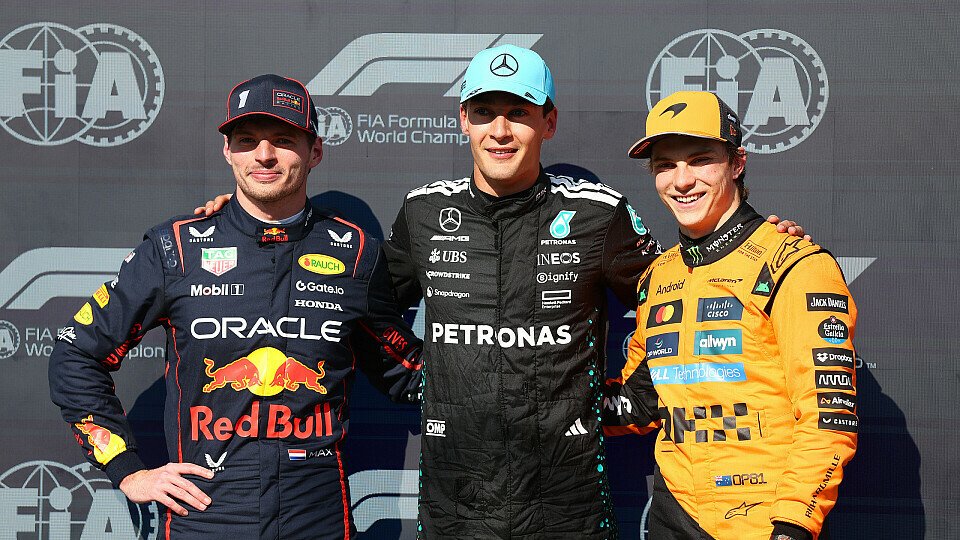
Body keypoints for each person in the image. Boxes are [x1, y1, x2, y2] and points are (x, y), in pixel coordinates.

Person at [197, 48, 805, 538]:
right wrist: (241, 225)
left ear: (549, 122)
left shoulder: (599, 214)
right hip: (455, 505)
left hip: (567, 506)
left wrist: (753, 237)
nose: (501, 131)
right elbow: (363, 302)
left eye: (519, 112)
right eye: (485, 112)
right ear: (463, 120)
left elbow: (677, 291)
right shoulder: (425, 210)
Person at [49, 74, 423, 539]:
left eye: (283, 140)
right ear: (228, 151)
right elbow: (76, 353)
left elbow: (403, 369)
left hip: (318, 518)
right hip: (206, 517)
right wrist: (127, 470)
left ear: (315, 152)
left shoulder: (357, 253)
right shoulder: (175, 249)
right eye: (247, 141)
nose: (264, 156)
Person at [607, 90, 858, 540]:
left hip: (762, 519)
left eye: (701, 160)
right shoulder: (658, 275)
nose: (682, 180)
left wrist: (794, 524)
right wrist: (544, 396)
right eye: (666, 165)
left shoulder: (795, 264)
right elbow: (643, 401)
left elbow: (828, 417)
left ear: (737, 162)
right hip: (675, 513)